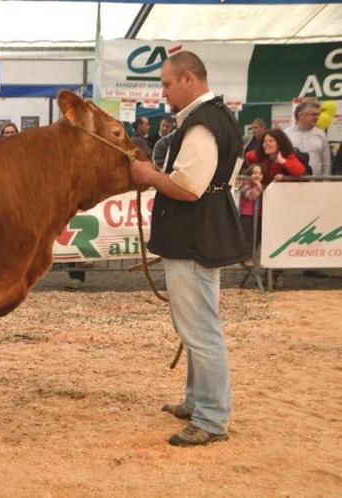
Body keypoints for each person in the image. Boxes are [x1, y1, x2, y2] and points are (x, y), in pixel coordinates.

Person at [130, 51, 246, 447]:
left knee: (200, 331)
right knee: (198, 326)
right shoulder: (220, 115)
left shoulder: (200, 124)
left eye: (166, 83)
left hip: (194, 237)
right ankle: (198, 401)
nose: (163, 91)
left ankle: (212, 418)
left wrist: (148, 174)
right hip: (204, 234)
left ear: (189, 79)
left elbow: (189, 187)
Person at [284, 102, 331, 177]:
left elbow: (326, 162)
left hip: (315, 183)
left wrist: (325, 182)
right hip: (291, 181)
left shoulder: (321, 134)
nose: (317, 117)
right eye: (313, 114)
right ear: (301, 115)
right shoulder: (286, 134)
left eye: (318, 114)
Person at [239, 164, 264, 268]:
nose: (257, 175)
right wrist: (258, 185)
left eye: (259, 173)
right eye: (254, 173)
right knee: (248, 237)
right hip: (247, 214)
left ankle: (251, 256)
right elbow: (251, 195)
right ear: (249, 174)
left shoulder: (262, 184)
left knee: (257, 237)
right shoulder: (245, 185)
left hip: (259, 215)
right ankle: (245, 258)